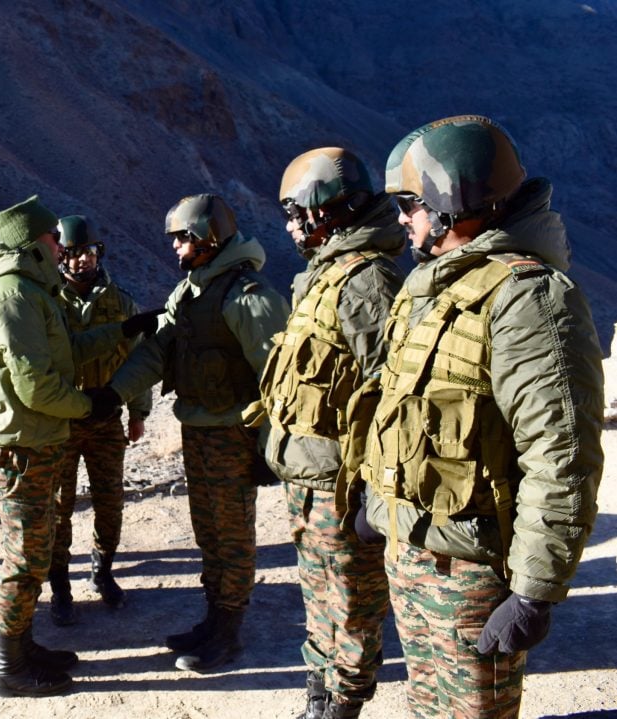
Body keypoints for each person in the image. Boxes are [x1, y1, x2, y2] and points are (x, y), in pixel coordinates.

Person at [361, 115, 604, 718]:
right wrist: (378, 504)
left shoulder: (528, 299)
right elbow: (398, 408)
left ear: (454, 204)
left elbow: (561, 454)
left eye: (411, 204)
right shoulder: (435, 284)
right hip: (413, 552)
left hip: (469, 570)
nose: (401, 219)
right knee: (426, 704)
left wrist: (533, 591)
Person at [0, 195, 160, 697]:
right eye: (55, 239)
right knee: (25, 559)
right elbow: (35, 386)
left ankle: (25, 647)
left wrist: (122, 330)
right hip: (22, 442)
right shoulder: (14, 296)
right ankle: (9, 668)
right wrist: (87, 407)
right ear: (35, 244)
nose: (64, 248)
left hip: (37, 438)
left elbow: (67, 349)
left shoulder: (32, 290)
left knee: (34, 548)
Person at [102, 193, 290, 673]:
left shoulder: (248, 296)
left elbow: (282, 381)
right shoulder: (190, 292)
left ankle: (229, 630)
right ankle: (214, 618)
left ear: (210, 238)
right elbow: (158, 349)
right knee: (208, 532)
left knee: (232, 536)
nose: (176, 248)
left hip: (232, 436)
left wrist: (267, 449)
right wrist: (114, 394)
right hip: (199, 431)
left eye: (183, 238)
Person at [257, 148, 405, 718]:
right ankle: (320, 696)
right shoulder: (326, 274)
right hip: (309, 475)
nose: (293, 227)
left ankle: (342, 705)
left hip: (342, 483)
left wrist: (374, 489)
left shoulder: (367, 282)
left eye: (300, 214)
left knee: (350, 603)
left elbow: (388, 394)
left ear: (333, 212)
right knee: (318, 596)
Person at [48, 215, 153, 625]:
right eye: (74, 254)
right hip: (63, 420)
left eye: (89, 253)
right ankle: (59, 586)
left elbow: (138, 361)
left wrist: (138, 412)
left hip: (106, 420)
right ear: (61, 255)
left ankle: (103, 570)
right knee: (59, 508)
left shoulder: (120, 302)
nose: (82, 262)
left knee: (110, 502)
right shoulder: (49, 301)